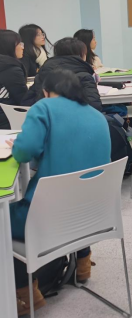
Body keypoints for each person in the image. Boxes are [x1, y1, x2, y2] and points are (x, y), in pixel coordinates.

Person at [8, 69, 111, 315]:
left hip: (49, 219)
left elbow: (24, 152)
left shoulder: (43, 108)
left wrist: (18, 146)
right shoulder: (98, 116)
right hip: (94, 216)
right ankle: (83, 263)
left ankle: (25, 293)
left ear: (46, 92)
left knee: (3, 218)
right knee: (76, 190)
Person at [21, 38, 102, 111]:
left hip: (44, 118)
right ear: (81, 55)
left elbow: (27, 102)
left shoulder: (44, 72)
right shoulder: (84, 76)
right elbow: (94, 107)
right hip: (75, 120)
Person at [0, 30, 27, 129]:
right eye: (19, 44)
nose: (22, 47)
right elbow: (23, 99)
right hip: (8, 121)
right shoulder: (10, 68)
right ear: (9, 46)